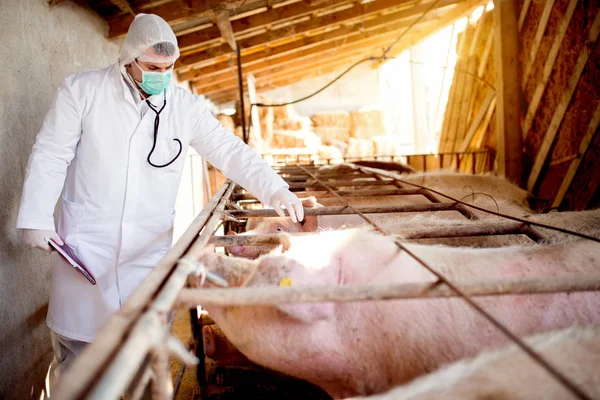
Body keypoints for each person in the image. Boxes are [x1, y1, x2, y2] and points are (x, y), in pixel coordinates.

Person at [16, 13, 303, 385]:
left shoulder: (184, 107)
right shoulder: (83, 91)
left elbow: (229, 151)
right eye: (153, 66)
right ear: (128, 59)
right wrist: (36, 215)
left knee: (142, 364)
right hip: (88, 249)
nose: (161, 75)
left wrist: (274, 187)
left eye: (168, 67)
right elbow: (51, 152)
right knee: (79, 365)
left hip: (146, 256)